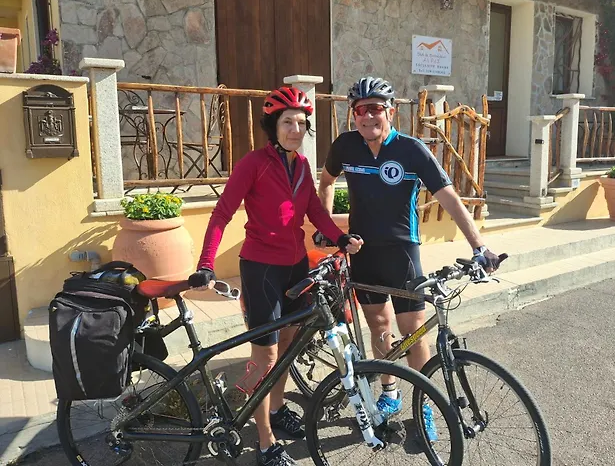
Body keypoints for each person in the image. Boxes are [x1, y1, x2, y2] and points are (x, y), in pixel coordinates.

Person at [315, 76, 502, 439]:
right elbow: (325, 182)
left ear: (390, 111)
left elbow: (449, 198)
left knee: (414, 335)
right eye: (359, 110)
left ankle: (424, 405)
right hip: (362, 253)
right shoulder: (345, 146)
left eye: (375, 108)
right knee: (379, 327)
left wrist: (479, 247)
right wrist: (327, 228)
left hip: (402, 254)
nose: (367, 116)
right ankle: (390, 394)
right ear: (353, 115)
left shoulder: (411, 150)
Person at [189, 86, 363, 466]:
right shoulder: (253, 164)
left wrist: (340, 238)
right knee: (265, 355)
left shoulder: (301, 165)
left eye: (301, 123)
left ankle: (277, 406)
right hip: (262, 269)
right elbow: (221, 214)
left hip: (296, 266)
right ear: (273, 125)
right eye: (288, 122)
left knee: (288, 346)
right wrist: (206, 263)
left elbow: (314, 210)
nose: (295, 130)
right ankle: (265, 441)